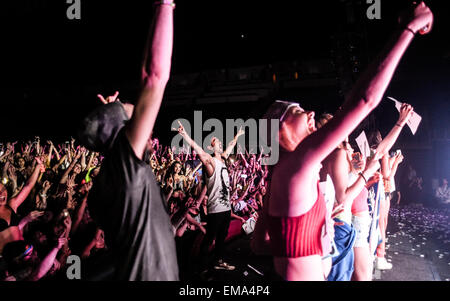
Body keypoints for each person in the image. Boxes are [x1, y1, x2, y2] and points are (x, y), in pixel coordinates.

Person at [251, 2, 433, 281]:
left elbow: (259, 243)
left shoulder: (284, 173)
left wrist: (305, 246)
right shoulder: (298, 163)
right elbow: (365, 100)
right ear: (280, 130)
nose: (310, 112)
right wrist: (407, 29)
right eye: (299, 112)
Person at [78, 0, 178, 280]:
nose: (146, 123)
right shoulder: (124, 165)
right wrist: (164, 5)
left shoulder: (108, 181)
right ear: (122, 134)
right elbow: (154, 76)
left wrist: (112, 114)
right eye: (133, 114)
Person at [176, 122, 245, 273]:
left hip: (226, 208)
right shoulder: (210, 162)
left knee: (221, 238)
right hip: (216, 210)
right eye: (215, 141)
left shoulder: (223, 159)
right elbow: (198, 150)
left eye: (219, 141)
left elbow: (230, 146)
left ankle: (218, 261)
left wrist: (236, 136)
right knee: (208, 240)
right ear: (210, 148)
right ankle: (201, 268)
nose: (219, 142)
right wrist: (185, 135)